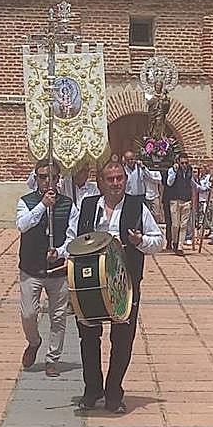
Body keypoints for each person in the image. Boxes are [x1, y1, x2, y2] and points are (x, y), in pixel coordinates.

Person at [64, 160, 164, 413]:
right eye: (110, 179)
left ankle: (113, 392)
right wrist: (60, 254)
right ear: (101, 182)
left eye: (120, 178)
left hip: (124, 283)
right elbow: (71, 240)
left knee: (122, 340)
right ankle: (92, 389)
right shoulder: (87, 206)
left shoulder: (136, 207)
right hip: (89, 283)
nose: (116, 183)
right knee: (88, 337)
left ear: (125, 180)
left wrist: (140, 240)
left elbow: (158, 241)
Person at [15, 159, 72, 379]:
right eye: (42, 176)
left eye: (52, 177)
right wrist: (42, 206)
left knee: (58, 316)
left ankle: (52, 358)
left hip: (57, 270)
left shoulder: (68, 204)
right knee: (29, 313)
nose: (47, 181)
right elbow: (23, 225)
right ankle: (34, 341)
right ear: (36, 178)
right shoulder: (26, 202)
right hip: (31, 267)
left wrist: (59, 251)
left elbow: (72, 235)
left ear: (58, 179)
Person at [164, 154, 195, 255]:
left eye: (186, 163)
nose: (185, 165)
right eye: (182, 163)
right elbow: (169, 182)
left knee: (183, 225)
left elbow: (193, 183)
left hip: (186, 200)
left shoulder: (190, 170)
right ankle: (175, 241)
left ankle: (180, 246)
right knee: (175, 225)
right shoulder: (172, 170)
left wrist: (205, 186)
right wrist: (174, 171)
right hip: (175, 200)